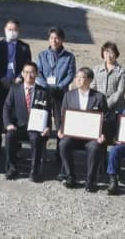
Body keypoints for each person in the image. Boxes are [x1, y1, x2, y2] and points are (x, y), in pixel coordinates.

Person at [57, 68, 107, 192]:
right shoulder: (68, 95)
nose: (78, 80)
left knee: (95, 147)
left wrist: (102, 134)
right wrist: (61, 129)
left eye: (82, 77)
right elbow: (63, 116)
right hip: (73, 135)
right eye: (77, 77)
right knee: (63, 144)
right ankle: (70, 176)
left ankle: (90, 180)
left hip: (91, 137)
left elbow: (105, 118)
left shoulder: (99, 97)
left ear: (89, 80)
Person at [3, 61, 50, 182]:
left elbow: (47, 111)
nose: (30, 75)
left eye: (33, 72)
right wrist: (8, 124)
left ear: (37, 74)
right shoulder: (14, 89)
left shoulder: (43, 91)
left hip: (35, 128)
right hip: (18, 126)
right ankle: (11, 169)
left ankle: (35, 171)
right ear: (22, 74)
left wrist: (47, 127)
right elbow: (6, 107)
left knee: (36, 138)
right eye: (27, 72)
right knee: (9, 136)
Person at [0, 19, 32, 153]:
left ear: (18, 31)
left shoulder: (24, 47)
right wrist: (2, 78)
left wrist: (19, 78)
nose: (12, 32)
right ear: (4, 30)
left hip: (17, 85)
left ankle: (16, 146)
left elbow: (27, 64)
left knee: (16, 113)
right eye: (9, 29)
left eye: (14, 30)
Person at [36, 27, 76, 164]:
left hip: (60, 94)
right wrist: (46, 86)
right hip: (44, 93)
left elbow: (71, 74)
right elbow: (38, 73)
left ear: (62, 40)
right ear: (49, 39)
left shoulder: (69, 57)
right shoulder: (42, 55)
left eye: (57, 38)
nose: (54, 40)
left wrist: (59, 87)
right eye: (52, 38)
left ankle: (60, 153)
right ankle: (41, 153)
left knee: (60, 123)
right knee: (43, 122)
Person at [91, 41, 125, 143]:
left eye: (111, 53)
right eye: (106, 53)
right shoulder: (97, 69)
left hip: (115, 109)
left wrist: (107, 104)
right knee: (99, 136)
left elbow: (120, 91)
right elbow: (93, 87)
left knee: (114, 137)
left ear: (116, 54)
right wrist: (98, 102)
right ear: (103, 54)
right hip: (99, 107)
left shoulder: (122, 71)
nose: (109, 56)